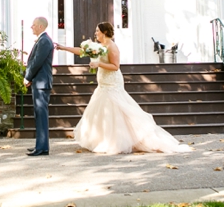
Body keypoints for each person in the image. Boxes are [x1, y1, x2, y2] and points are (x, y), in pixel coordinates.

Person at [55, 22, 193, 154]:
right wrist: (63, 48)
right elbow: (82, 51)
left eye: (97, 31)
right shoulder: (99, 45)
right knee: (103, 112)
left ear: (104, 32)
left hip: (112, 83)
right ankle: (104, 139)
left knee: (117, 110)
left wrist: (99, 65)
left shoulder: (112, 47)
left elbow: (115, 67)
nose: (95, 33)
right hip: (102, 84)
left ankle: (123, 140)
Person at [23, 17, 54, 156]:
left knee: (41, 115)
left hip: (41, 83)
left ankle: (42, 148)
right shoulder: (42, 40)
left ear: (41, 27)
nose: (31, 27)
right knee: (39, 115)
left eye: (34, 25)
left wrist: (28, 77)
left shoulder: (45, 41)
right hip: (39, 82)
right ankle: (41, 145)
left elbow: (36, 62)